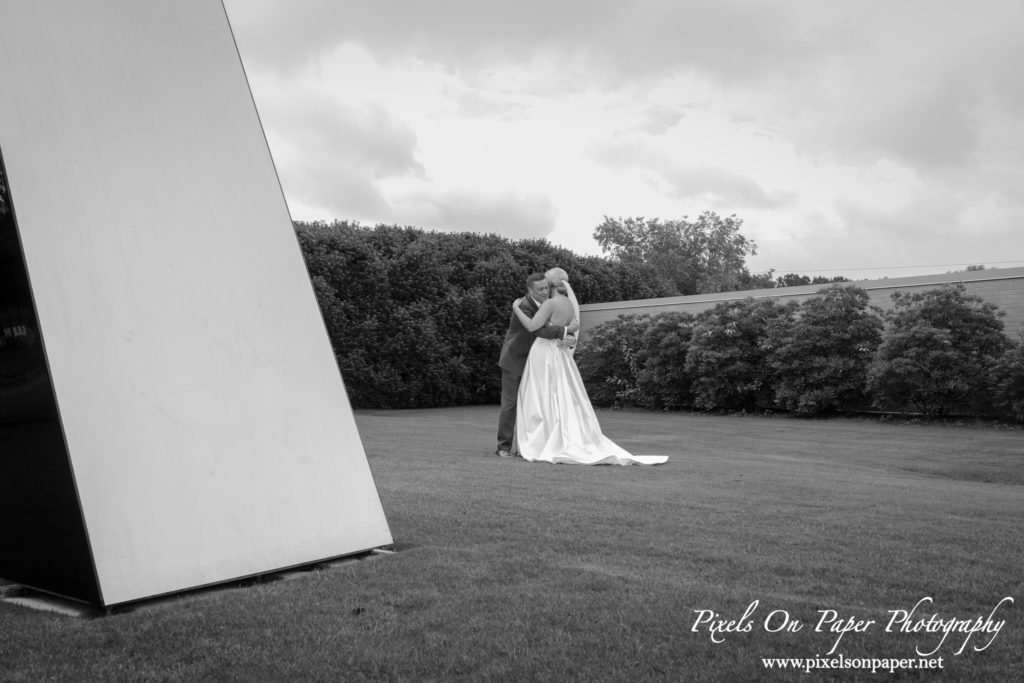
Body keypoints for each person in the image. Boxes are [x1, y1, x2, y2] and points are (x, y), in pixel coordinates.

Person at [511, 268, 667, 465]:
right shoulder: (568, 303)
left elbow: (534, 326)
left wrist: (516, 308)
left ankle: (541, 439)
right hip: (560, 354)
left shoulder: (550, 303)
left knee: (541, 394)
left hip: (544, 352)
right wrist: (566, 332)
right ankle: (558, 435)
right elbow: (570, 327)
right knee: (560, 394)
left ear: (550, 285)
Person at [495, 273, 578, 457]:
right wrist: (566, 330)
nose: (544, 291)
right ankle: (504, 447)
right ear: (530, 290)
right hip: (516, 360)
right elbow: (539, 330)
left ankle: (534, 445)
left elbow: (556, 330)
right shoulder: (524, 306)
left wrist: (569, 338)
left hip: (539, 363)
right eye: (540, 289)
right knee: (510, 404)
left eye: (546, 287)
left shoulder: (551, 304)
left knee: (539, 404)